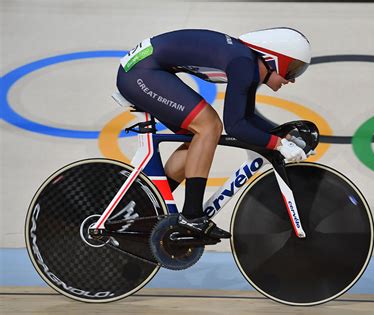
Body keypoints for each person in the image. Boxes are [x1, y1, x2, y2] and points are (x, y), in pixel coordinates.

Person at [116, 27, 311, 239]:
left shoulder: (248, 65)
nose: (292, 80)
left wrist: (285, 138)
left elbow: (246, 118)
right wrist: (278, 144)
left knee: (199, 140)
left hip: (145, 68)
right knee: (209, 127)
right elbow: (235, 125)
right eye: (292, 70)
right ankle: (191, 216)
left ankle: (146, 205)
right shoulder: (243, 64)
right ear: (275, 59)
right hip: (140, 72)